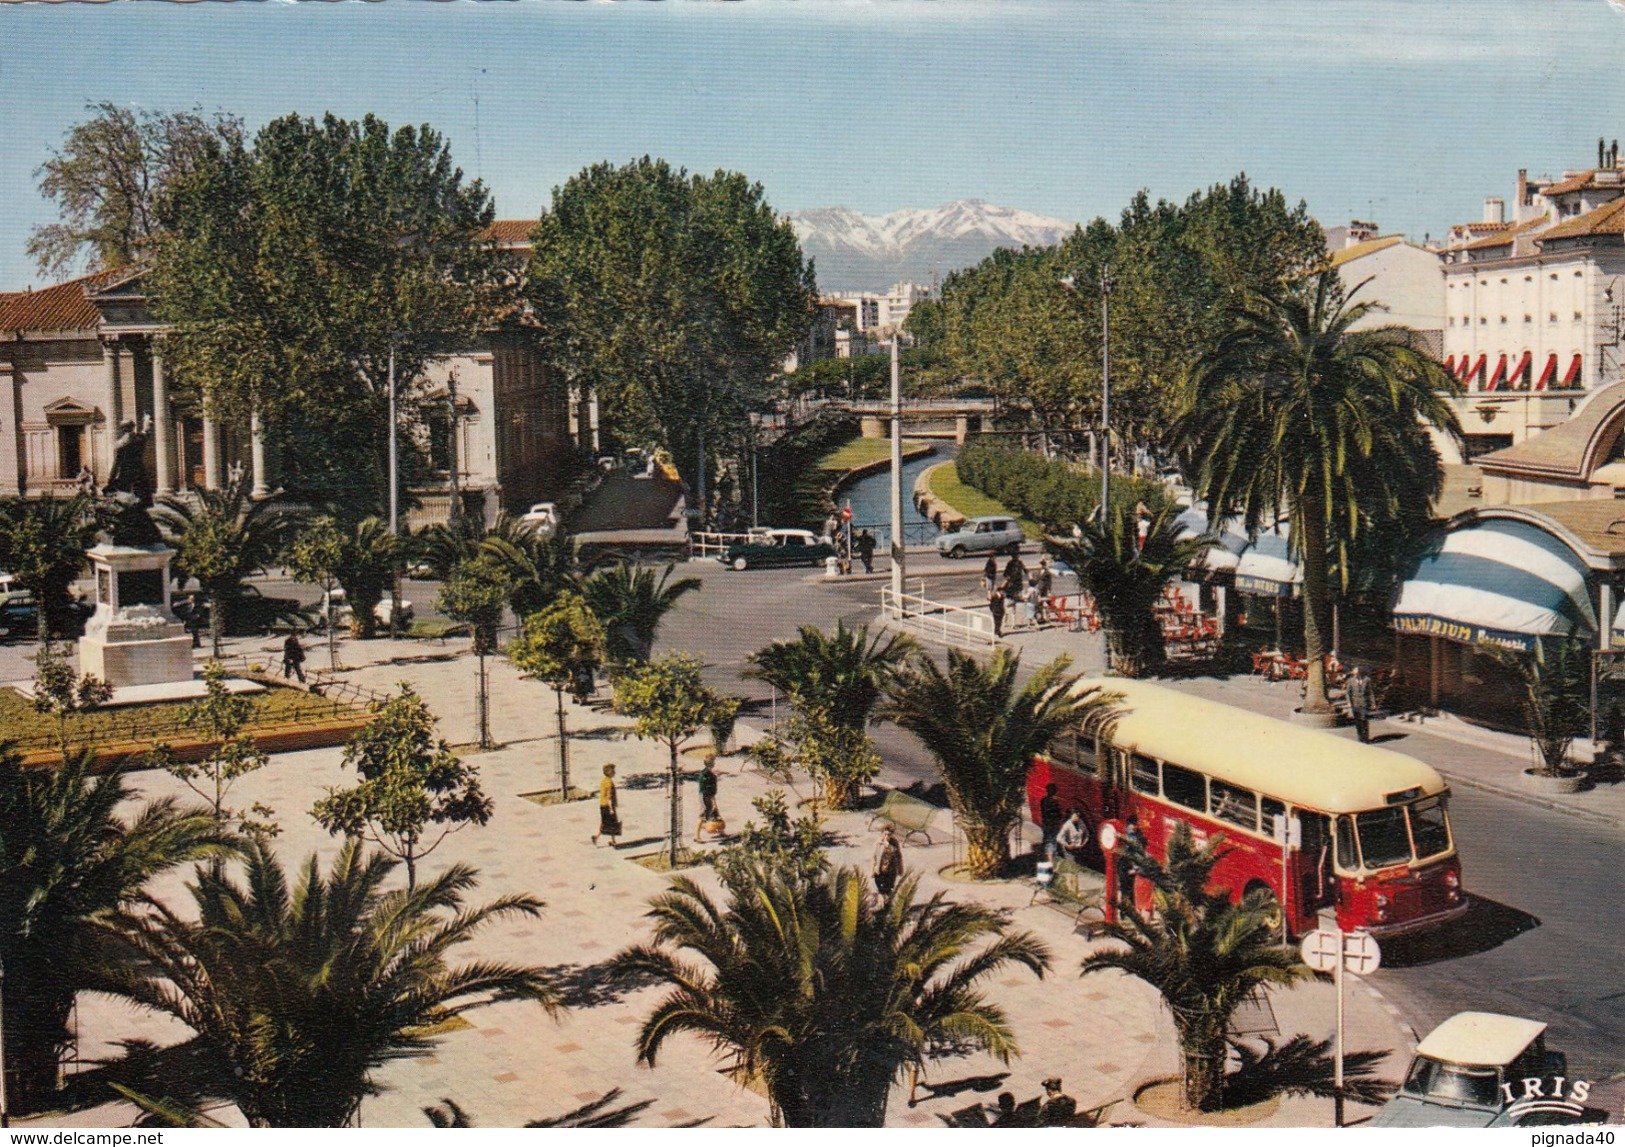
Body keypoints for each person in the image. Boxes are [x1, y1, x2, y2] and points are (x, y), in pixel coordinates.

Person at [1119, 814, 1148, 913]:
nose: (1134, 827)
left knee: (1132, 889)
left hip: (1133, 862)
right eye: (1132, 825)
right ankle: (1124, 911)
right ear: (1128, 825)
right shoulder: (1123, 833)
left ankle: (1131, 911)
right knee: (1124, 889)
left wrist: (1135, 868)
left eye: (1136, 825)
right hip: (1124, 862)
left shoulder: (1139, 835)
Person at [592, 763, 621, 846]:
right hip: (608, 806)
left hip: (603, 805)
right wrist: (611, 808)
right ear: (610, 772)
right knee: (611, 823)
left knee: (608, 823)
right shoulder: (609, 782)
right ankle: (596, 837)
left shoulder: (604, 781)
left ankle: (612, 840)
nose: (615, 772)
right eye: (613, 771)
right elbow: (609, 796)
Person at [873, 823, 904, 896]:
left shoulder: (894, 843)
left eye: (889, 835)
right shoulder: (879, 842)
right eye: (885, 834)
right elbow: (874, 856)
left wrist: (900, 869)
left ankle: (887, 901)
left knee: (889, 888)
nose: (886, 836)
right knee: (880, 887)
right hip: (880, 869)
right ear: (882, 834)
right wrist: (873, 868)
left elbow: (898, 856)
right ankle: (882, 898)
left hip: (891, 869)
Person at [1345, 663, 1373, 743]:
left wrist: (1372, 703)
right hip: (1355, 704)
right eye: (1354, 674)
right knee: (1358, 721)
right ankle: (1360, 737)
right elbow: (1348, 693)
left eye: (1356, 673)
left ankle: (1366, 738)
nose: (1355, 675)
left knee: (1364, 719)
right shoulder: (1350, 681)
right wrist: (1349, 702)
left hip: (1364, 703)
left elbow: (1370, 692)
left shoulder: (1367, 680)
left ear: (1360, 672)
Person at [695, 757, 720, 841]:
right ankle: (696, 836)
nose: (714, 764)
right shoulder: (708, 775)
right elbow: (708, 788)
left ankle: (720, 831)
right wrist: (713, 800)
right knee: (704, 813)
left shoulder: (705, 773)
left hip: (706, 795)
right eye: (713, 762)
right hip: (706, 796)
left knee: (713, 812)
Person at [1038, 783, 1063, 859]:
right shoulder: (1055, 801)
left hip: (1046, 822)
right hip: (1053, 822)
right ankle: (1050, 855)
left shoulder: (1043, 800)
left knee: (1047, 838)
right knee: (1052, 838)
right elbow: (1058, 814)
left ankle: (1046, 853)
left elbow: (1043, 812)